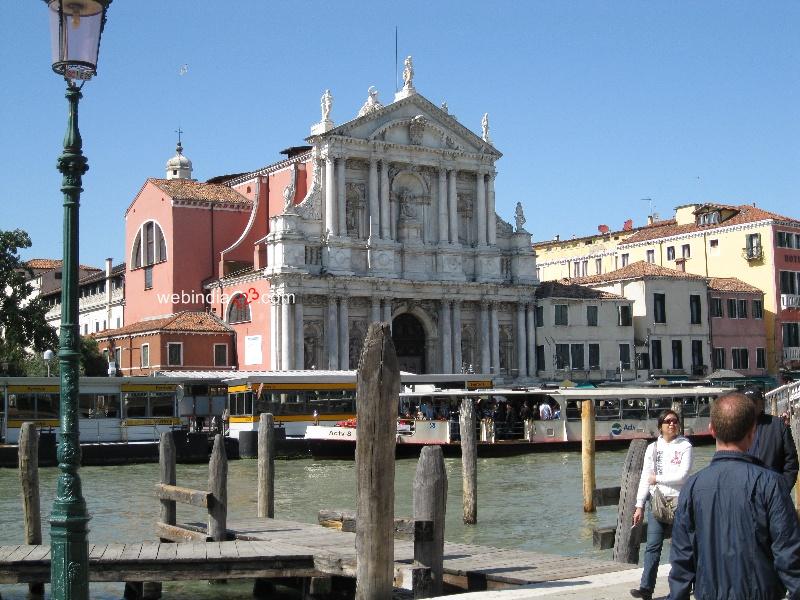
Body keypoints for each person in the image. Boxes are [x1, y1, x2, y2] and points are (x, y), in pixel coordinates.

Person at [669, 392, 800, 600]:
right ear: (753, 431)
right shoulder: (770, 483)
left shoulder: (692, 487)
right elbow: (789, 555)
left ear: (711, 430)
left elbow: (682, 561)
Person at [629, 410, 693, 600]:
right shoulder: (652, 448)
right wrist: (639, 505)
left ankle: (681, 588)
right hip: (657, 502)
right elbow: (644, 479)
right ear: (660, 426)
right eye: (667, 422)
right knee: (652, 546)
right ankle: (646, 588)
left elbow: (683, 476)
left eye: (675, 421)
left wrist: (657, 478)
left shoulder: (685, 446)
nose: (672, 424)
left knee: (680, 548)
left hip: (680, 502)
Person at [743, 386, 798, 490]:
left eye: (754, 401)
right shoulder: (736, 426)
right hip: (744, 493)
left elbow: (791, 461)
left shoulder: (778, 425)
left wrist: (783, 489)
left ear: (761, 403)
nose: (751, 405)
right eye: (746, 402)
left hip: (773, 491)